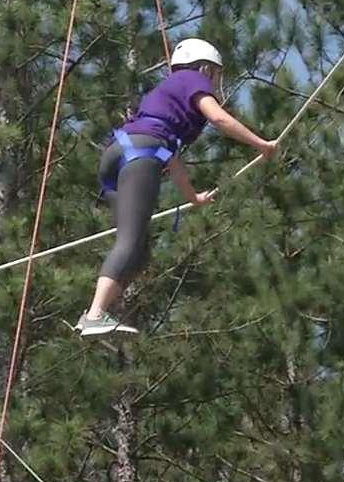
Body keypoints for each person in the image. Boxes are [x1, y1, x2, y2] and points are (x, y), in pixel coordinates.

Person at [74, 38, 278, 337]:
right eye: (216, 74)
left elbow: (173, 159)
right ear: (206, 68)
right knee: (131, 242)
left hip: (119, 154)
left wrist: (192, 197)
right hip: (141, 154)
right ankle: (95, 313)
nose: (215, 81)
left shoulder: (165, 94)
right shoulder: (194, 80)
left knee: (138, 250)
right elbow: (219, 118)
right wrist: (262, 145)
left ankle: (95, 312)